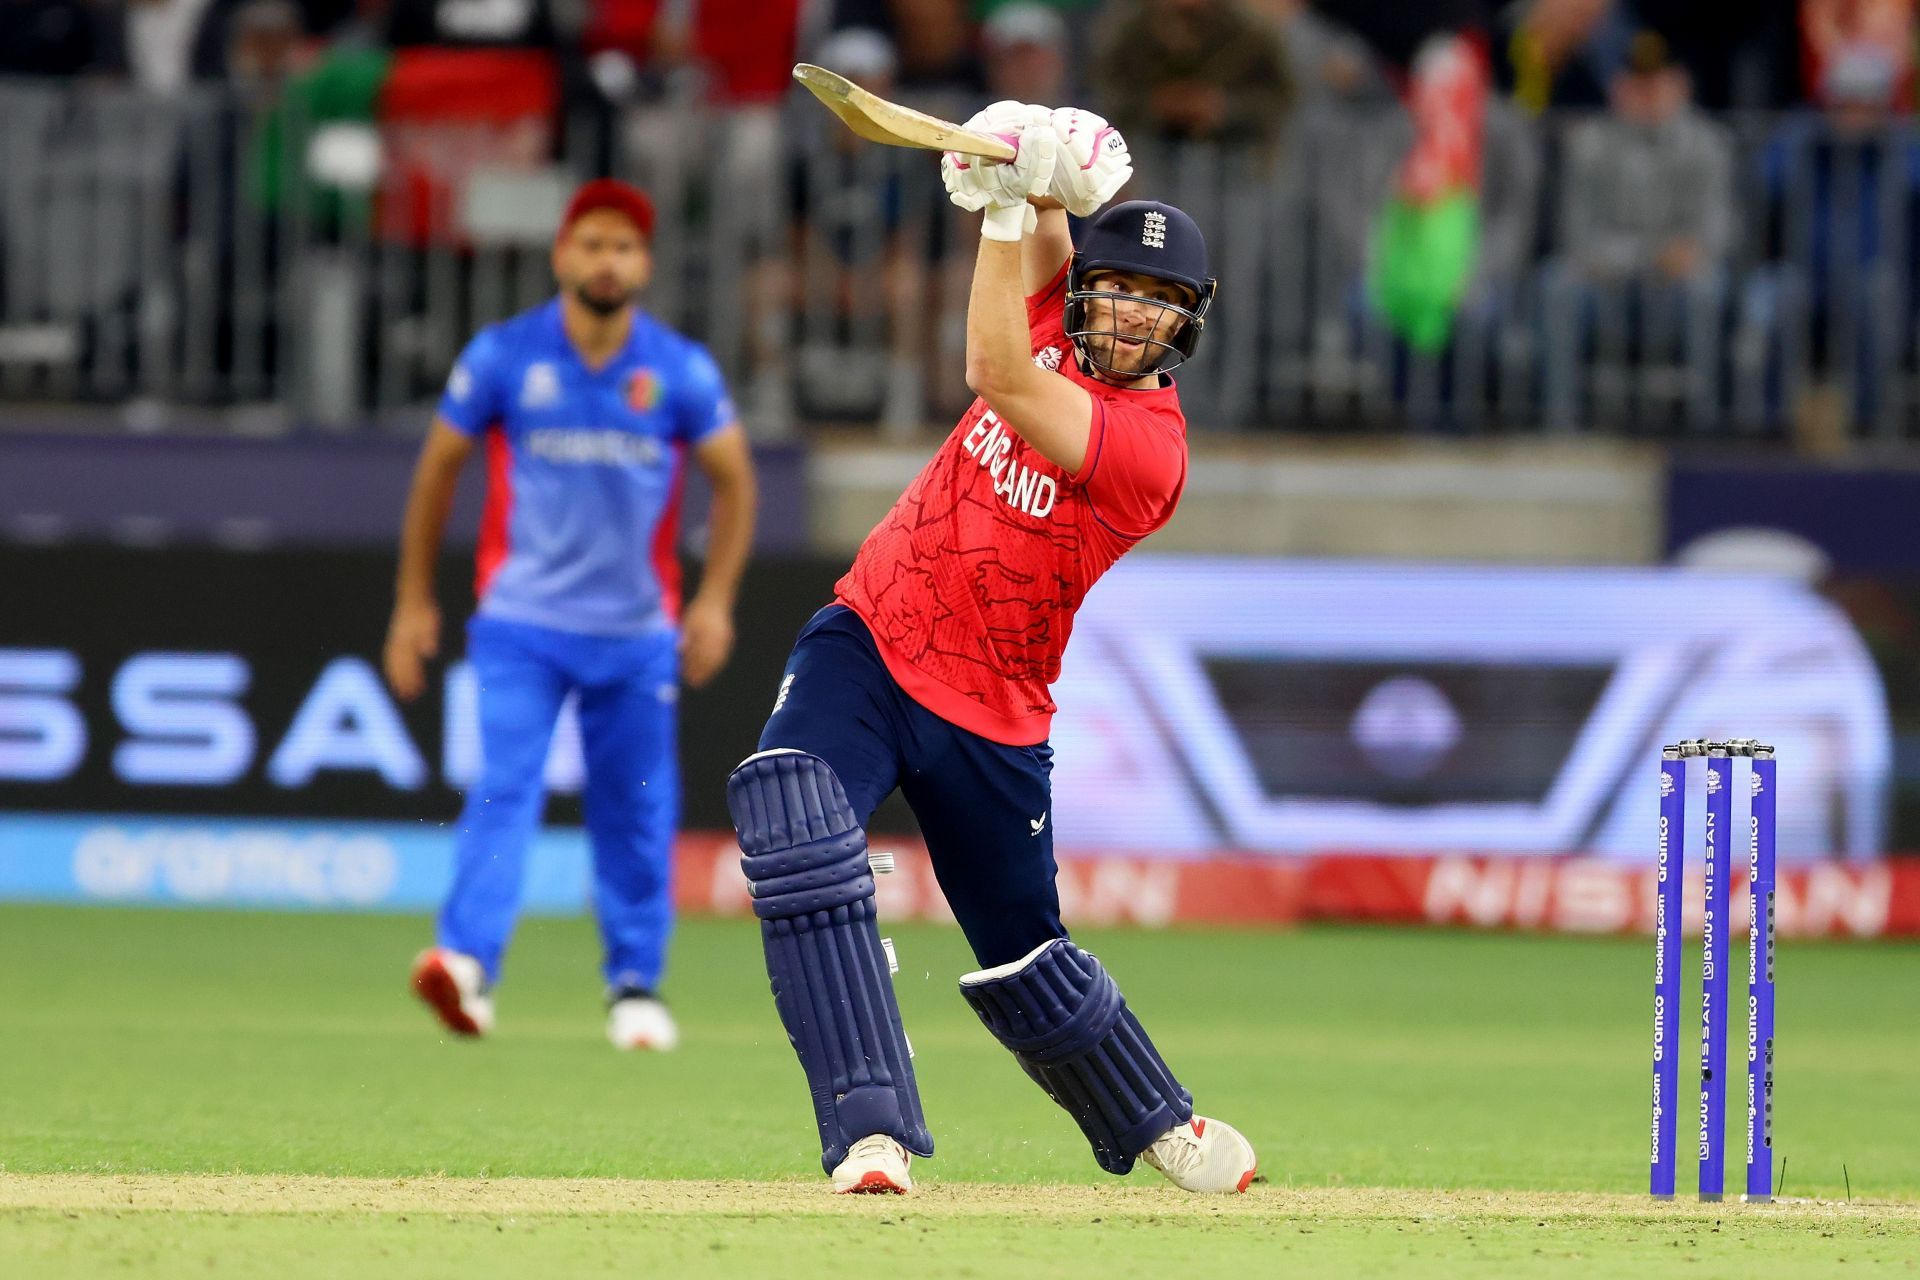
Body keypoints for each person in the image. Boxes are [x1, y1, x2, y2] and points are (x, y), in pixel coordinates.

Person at [724, 101, 1256, 1194]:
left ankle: (1158, 1119)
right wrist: (1037, 167)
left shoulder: (1149, 452)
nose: (1128, 314)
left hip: (993, 709)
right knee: (790, 809)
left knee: (1028, 958)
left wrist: (1009, 201)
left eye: (1159, 302)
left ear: (1188, 323)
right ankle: (870, 1128)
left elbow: (997, 374)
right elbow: (1049, 221)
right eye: (1117, 288)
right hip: (874, 632)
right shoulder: (1060, 306)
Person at [385, 178, 757, 1050]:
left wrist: (715, 602)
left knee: (633, 806)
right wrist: (411, 601)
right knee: (504, 789)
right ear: (561, 255)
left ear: (646, 265)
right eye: (590, 244)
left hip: (635, 635)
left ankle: (636, 988)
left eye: (623, 247)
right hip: (521, 623)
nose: (606, 260)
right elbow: (436, 470)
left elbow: (735, 480)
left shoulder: (677, 368)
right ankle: (467, 967)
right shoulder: (505, 355)